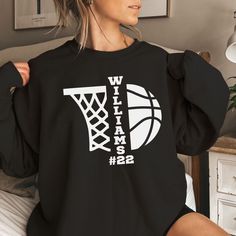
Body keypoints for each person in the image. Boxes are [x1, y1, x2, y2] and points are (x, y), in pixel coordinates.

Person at [0, 0, 231, 235]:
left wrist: (192, 68)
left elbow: (193, 140)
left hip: (163, 216)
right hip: (78, 224)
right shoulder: (45, 73)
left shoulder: (157, 63)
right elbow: (19, 162)